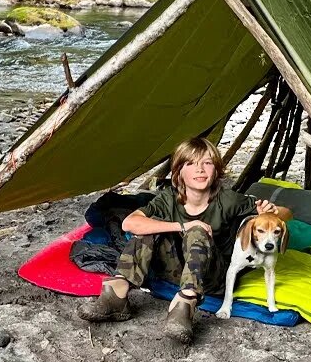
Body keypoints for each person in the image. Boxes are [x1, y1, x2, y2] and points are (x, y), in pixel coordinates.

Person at [77, 137, 290, 343]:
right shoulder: (168, 198)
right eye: (191, 163)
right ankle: (116, 295)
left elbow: (287, 213)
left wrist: (271, 211)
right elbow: (129, 224)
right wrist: (181, 226)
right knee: (148, 229)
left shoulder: (228, 199)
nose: (200, 169)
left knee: (198, 231)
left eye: (207, 163)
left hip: (210, 278)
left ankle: (184, 306)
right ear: (179, 172)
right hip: (172, 270)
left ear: (216, 170)